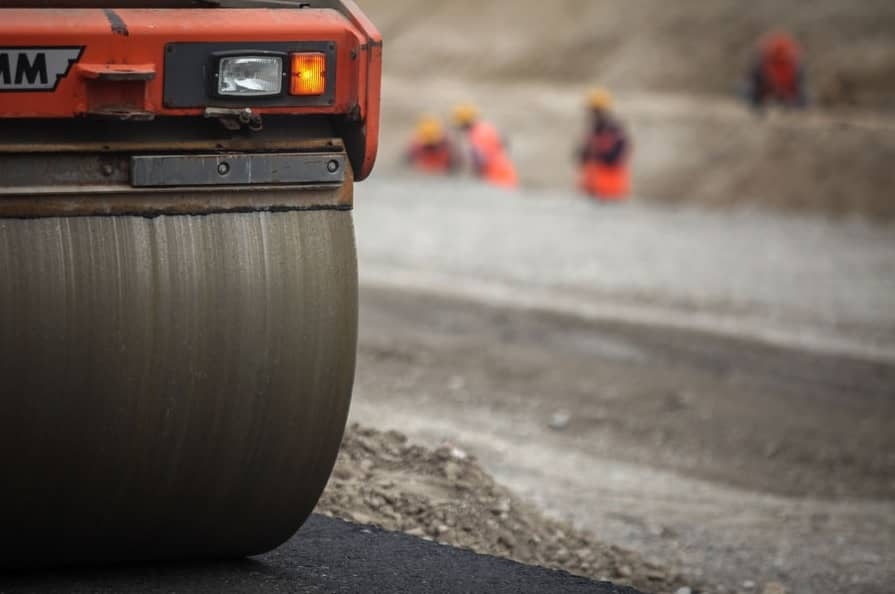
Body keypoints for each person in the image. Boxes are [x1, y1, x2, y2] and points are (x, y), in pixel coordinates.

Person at [576, 88, 630, 201]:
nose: (592, 114)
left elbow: (615, 157)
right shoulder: (591, 131)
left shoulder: (615, 130)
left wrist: (596, 151)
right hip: (591, 187)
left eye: (595, 110)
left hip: (610, 188)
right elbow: (580, 157)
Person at [451, 103, 519, 189]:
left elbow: (480, 161)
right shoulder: (487, 127)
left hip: (495, 179)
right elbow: (505, 143)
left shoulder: (476, 136)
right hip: (507, 173)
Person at [745, 31, 808, 110]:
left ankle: (795, 106)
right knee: (749, 89)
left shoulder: (793, 66)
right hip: (771, 89)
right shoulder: (762, 65)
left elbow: (798, 85)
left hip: (783, 90)